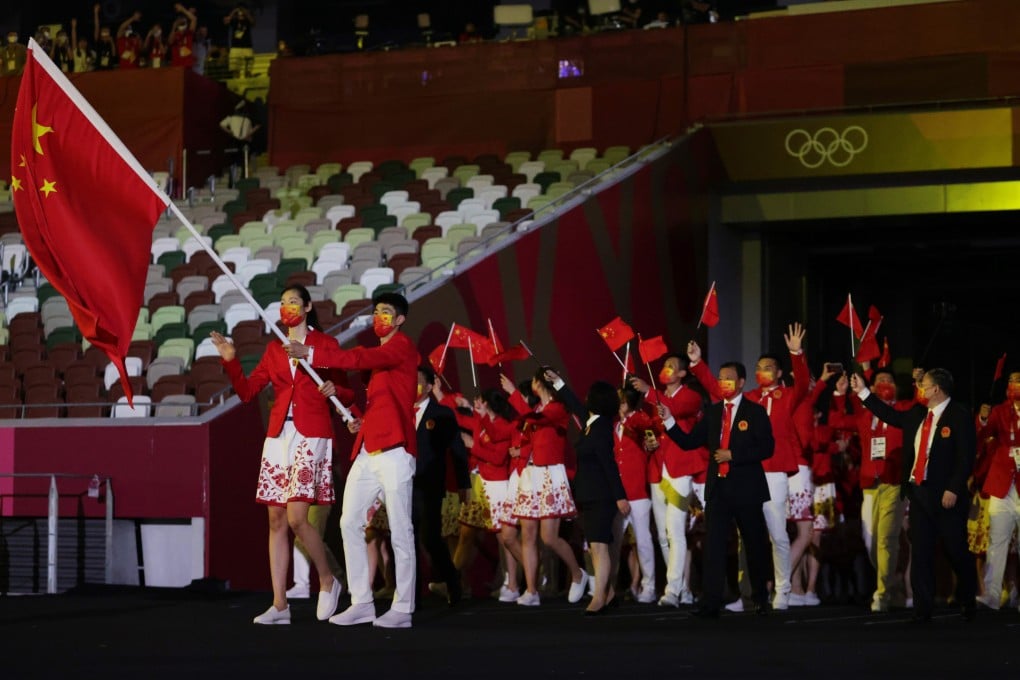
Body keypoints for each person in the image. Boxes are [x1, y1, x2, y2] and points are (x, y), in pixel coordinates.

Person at [210, 285, 344, 625]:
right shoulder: (274, 350)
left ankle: (328, 579)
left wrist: (334, 388)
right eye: (283, 303)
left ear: (308, 306)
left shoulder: (325, 345)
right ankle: (280, 604)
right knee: (276, 520)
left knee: (298, 517)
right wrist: (231, 361)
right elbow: (246, 392)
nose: (287, 308)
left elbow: (345, 386)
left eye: (294, 302)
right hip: (278, 435)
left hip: (310, 431)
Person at [287, 292, 419, 629]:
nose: (379, 317)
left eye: (386, 313)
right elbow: (379, 405)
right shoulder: (379, 365)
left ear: (400, 320)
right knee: (349, 522)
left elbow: (360, 357)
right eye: (376, 312)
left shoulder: (401, 347)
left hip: (395, 451)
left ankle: (403, 608)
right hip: (368, 448)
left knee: (401, 529)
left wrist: (313, 352)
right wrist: (357, 418)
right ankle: (362, 602)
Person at [850, 368, 977, 622]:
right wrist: (863, 391)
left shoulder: (959, 415)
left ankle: (967, 596)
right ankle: (923, 609)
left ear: (936, 390)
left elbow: (965, 457)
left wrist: (953, 488)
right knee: (921, 551)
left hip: (946, 494)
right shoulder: (918, 413)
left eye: (924, 385)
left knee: (955, 549)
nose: (919, 388)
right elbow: (889, 414)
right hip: (919, 491)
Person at [659, 354, 775, 618]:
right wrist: (668, 421)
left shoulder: (754, 411)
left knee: (754, 544)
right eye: (721, 379)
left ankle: (759, 598)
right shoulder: (712, 413)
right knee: (713, 545)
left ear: (741, 382)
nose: (724, 383)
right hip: (719, 489)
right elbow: (689, 442)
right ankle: (710, 602)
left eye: (729, 379)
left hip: (746, 488)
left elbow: (767, 447)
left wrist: (734, 454)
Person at [829, 366, 917, 612]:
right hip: (870, 483)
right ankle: (891, 580)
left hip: (894, 481)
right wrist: (839, 393)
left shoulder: (904, 409)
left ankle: (883, 593)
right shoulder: (866, 414)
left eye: (889, 379)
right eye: (880, 380)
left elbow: (922, 406)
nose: (885, 383)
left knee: (887, 539)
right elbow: (837, 421)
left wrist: (919, 383)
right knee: (871, 541)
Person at [502, 368, 589, 607]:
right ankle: (531, 591)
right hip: (531, 474)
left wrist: (513, 394)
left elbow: (537, 421)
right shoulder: (538, 408)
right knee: (527, 535)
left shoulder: (558, 408)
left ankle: (579, 574)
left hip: (550, 474)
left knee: (548, 537)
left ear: (540, 383)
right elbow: (532, 434)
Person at [628, 353, 707, 607]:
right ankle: (681, 588)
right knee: (662, 534)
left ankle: (672, 590)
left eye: (671, 367)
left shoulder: (690, 396)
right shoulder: (657, 400)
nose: (665, 370)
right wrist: (649, 439)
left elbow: (676, 411)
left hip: (680, 471)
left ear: (682, 374)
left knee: (675, 530)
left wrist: (648, 391)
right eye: (664, 366)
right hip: (657, 471)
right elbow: (655, 424)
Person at [555, 373, 631, 614]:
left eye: (590, 395)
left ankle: (598, 597)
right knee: (595, 547)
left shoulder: (601, 429)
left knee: (599, 546)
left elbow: (609, 465)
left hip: (602, 496)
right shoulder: (592, 423)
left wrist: (620, 496)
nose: (585, 398)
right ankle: (606, 594)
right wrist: (558, 382)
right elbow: (575, 405)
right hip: (588, 494)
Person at [411, 363, 470, 606]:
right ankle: (410, 595)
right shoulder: (400, 410)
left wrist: (464, 485)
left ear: (429, 385)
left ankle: (452, 580)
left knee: (430, 538)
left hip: (430, 485)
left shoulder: (442, 414)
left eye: (416, 380)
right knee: (405, 538)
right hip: (403, 483)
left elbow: (457, 450)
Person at [975, 371, 1020, 611]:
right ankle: (991, 594)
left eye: (1019, 381)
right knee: (997, 541)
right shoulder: (1001, 411)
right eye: (1013, 381)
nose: (1016, 385)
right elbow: (983, 434)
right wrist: (982, 419)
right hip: (1002, 485)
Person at [168, 4, 198, 70]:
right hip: (176, 65)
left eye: (184, 23)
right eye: (180, 23)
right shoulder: (174, 34)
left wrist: (183, 9)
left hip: (187, 65)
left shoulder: (189, 33)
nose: (182, 24)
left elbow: (194, 19)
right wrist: (174, 27)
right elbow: (170, 42)